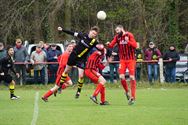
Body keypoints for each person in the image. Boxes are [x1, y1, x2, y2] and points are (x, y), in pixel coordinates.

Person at [57, 26, 101, 97]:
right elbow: (72, 33)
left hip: (81, 59)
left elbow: (100, 47)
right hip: (73, 56)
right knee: (66, 71)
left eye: (95, 34)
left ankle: (78, 92)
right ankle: (60, 86)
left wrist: (102, 49)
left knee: (81, 75)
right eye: (93, 33)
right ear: (90, 31)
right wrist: (62, 30)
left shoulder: (94, 42)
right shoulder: (83, 35)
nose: (93, 35)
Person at [106, 25, 137, 105]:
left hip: (131, 59)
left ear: (122, 29)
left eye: (118, 30)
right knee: (121, 77)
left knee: (132, 77)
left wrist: (128, 41)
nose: (117, 31)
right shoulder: (117, 37)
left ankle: (133, 97)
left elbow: (135, 46)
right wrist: (108, 44)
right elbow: (111, 45)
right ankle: (127, 91)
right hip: (122, 60)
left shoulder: (129, 35)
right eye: (116, 30)